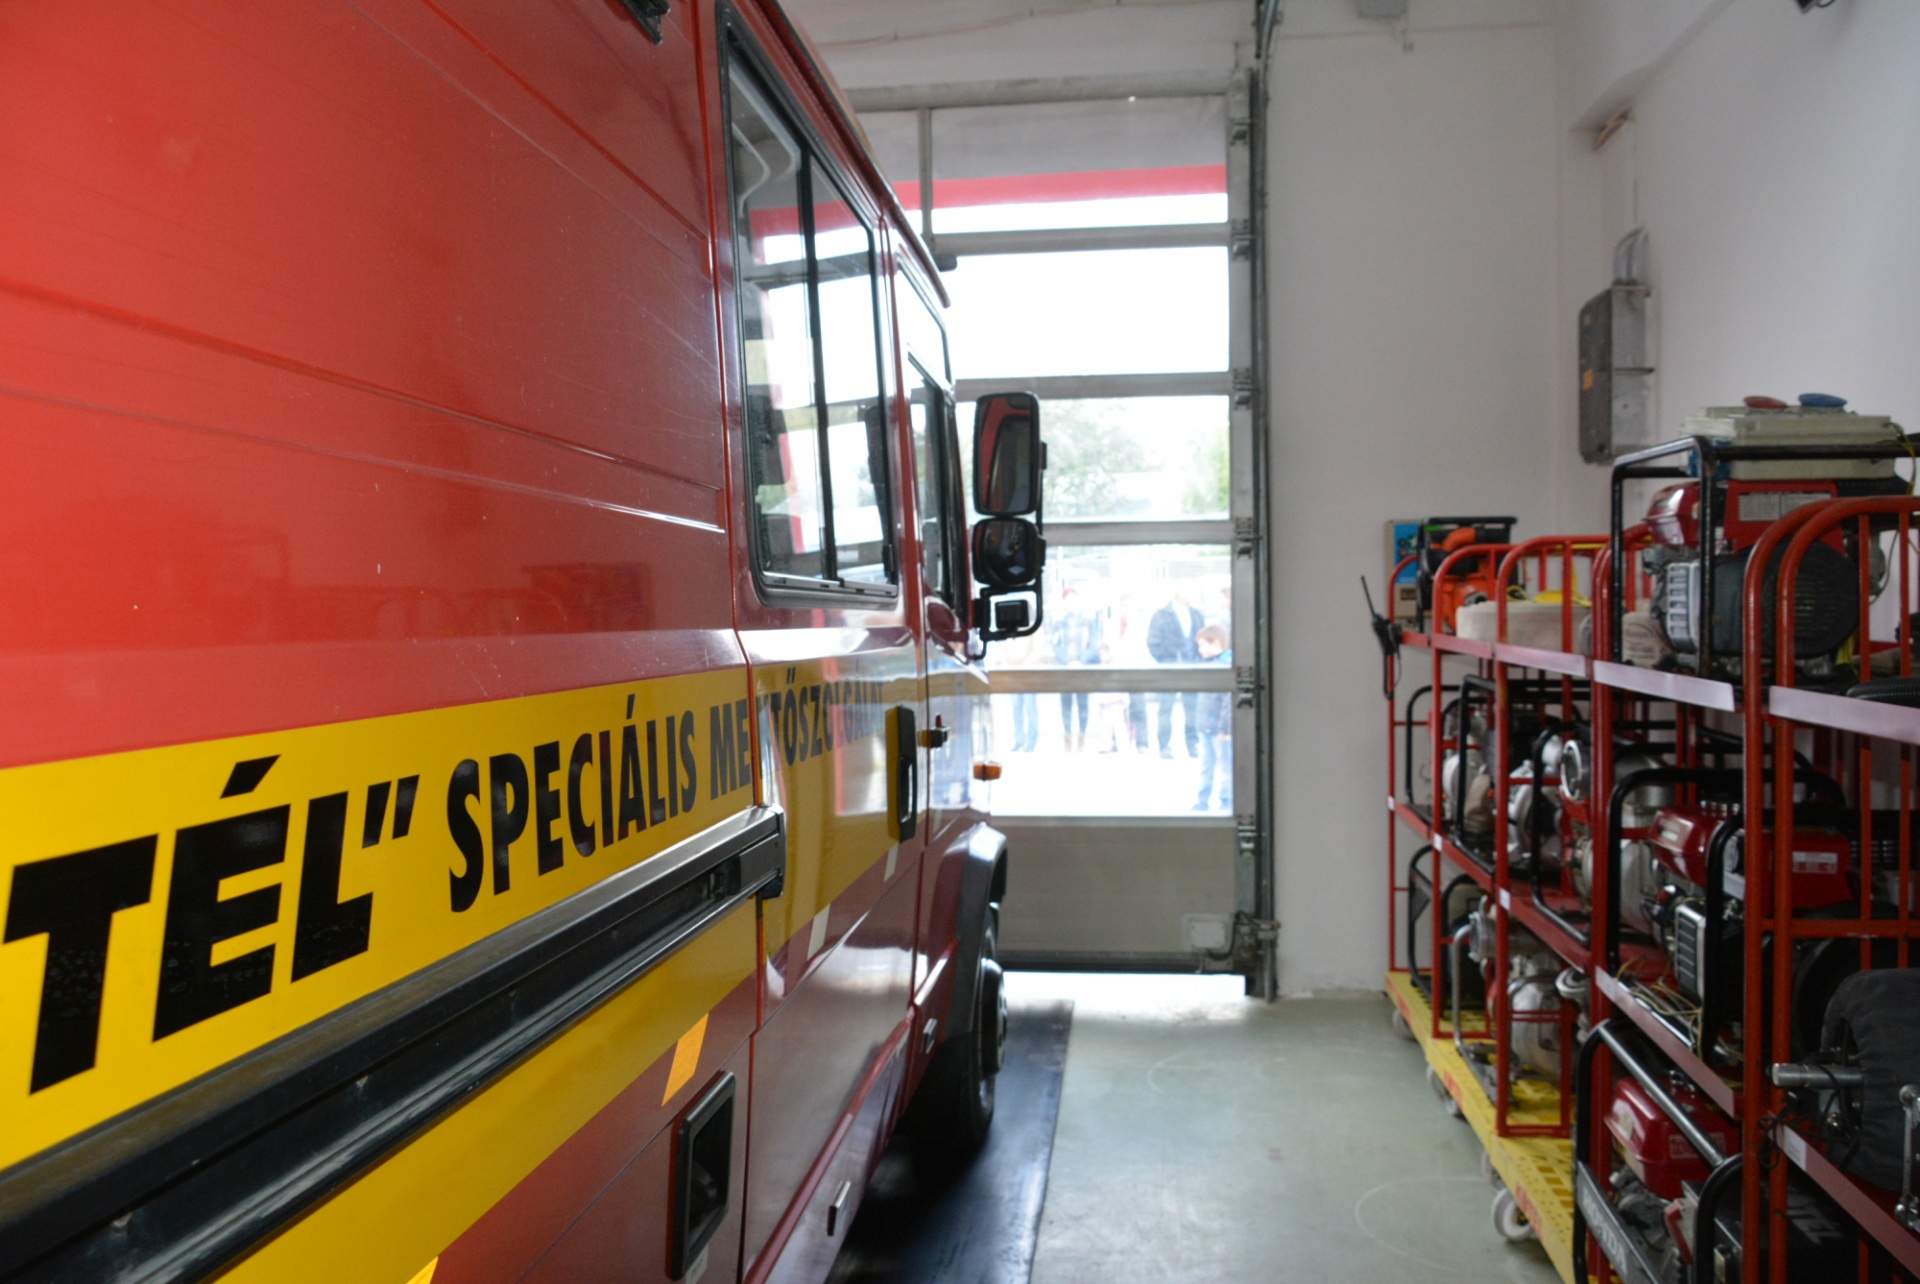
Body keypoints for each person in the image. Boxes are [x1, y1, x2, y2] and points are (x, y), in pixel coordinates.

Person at [1147, 591, 1205, 757]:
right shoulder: (1161, 615)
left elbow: (1203, 637)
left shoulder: (1196, 614)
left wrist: (1198, 660)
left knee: (1192, 709)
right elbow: (1153, 641)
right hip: (1169, 669)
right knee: (1166, 708)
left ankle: (1192, 745)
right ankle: (1164, 746)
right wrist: (1165, 660)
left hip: (1192, 668)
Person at [1046, 586, 1102, 752]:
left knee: (1083, 702)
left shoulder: (1089, 622)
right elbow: (1055, 645)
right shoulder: (1059, 624)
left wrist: (1081, 661)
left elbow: (1094, 644)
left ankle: (1082, 735)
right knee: (1066, 702)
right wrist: (1067, 661)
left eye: (1073, 599)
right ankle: (1068, 735)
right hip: (1066, 668)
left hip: (1083, 669)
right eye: (1067, 600)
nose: (1071, 603)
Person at [1194, 624, 1232, 810]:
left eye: (1203, 645)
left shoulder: (1224, 667)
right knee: (1206, 767)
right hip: (1206, 727)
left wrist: (1225, 729)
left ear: (1216, 643)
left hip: (1219, 729)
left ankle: (1226, 801)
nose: (1200, 650)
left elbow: (1227, 703)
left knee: (1225, 767)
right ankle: (1203, 800)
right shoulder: (1210, 666)